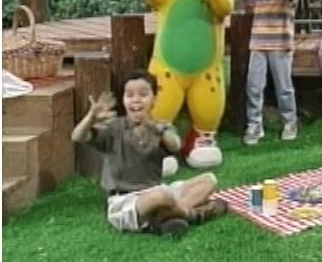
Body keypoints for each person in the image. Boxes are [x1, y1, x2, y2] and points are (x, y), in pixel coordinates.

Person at [71, 70, 228, 237]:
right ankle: (193, 214)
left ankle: (164, 218)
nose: (136, 100)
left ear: (154, 99)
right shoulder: (114, 127)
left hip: (156, 190)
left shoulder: (160, 127)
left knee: (208, 180)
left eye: (143, 94)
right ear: (124, 100)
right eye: (130, 95)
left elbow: (175, 145)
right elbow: (77, 137)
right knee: (161, 196)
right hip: (125, 201)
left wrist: (153, 126)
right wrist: (91, 118)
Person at [241, 0, 302, 145]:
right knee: (254, 86)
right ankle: (254, 125)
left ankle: (290, 123)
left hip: (281, 43)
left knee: (284, 88)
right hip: (258, 42)